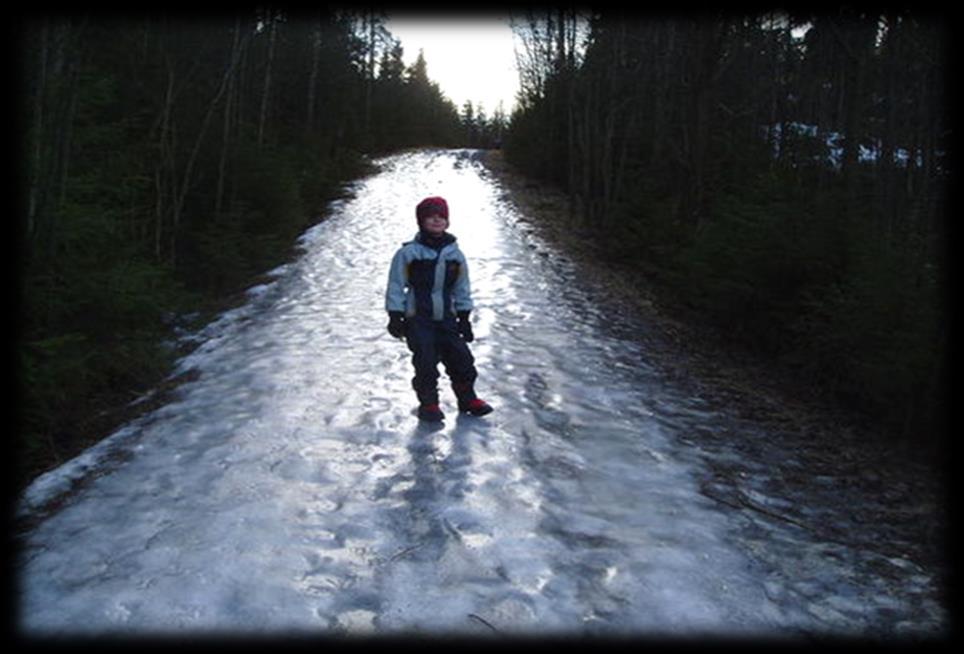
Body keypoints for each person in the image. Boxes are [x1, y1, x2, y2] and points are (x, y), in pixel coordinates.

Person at [385, 196, 494, 422]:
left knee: (461, 359)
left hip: (447, 318)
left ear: (447, 221)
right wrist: (395, 315)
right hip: (419, 318)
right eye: (431, 217)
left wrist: (464, 317)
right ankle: (429, 404)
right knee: (425, 361)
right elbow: (396, 285)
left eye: (441, 217)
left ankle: (468, 398)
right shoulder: (409, 254)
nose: (436, 221)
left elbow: (462, 287)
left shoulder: (455, 254)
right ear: (421, 221)